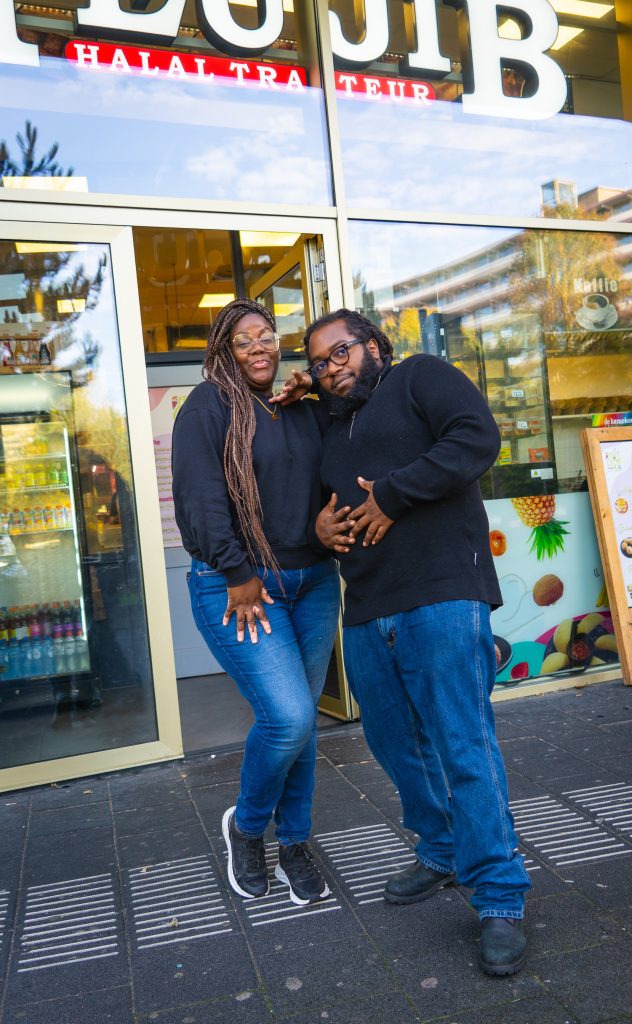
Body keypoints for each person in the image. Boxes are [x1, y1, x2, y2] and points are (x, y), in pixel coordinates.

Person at [305, 309, 532, 976]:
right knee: (391, 742)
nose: (331, 368)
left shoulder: (420, 376)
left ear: (375, 344)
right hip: (366, 603)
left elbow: (476, 438)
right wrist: (320, 530)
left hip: (442, 592)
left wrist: (394, 495)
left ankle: (499, 895)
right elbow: (321, 502)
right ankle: (441, 847)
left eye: (341, 351)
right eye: (318, 362)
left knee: (462, 743)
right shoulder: (330, 424)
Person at [172, 299, 340, 906]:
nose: (258, 347)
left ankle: (294, 841)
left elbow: (354, 423)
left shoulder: (297, 407)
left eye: (265, 335)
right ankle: (246, 827)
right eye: (243, 340)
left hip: (312, 582)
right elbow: (201, 499)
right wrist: (238, 571)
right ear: (224, 351)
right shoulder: (208, 407)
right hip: (240, 587)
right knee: (288, 717)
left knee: (304, 724)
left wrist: (316, 386)